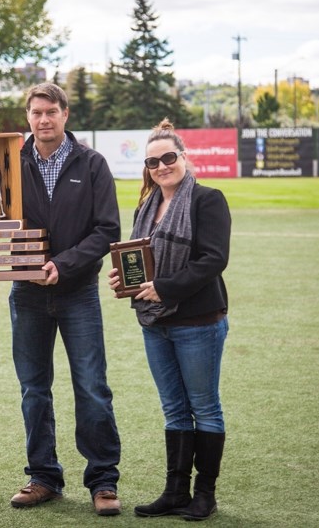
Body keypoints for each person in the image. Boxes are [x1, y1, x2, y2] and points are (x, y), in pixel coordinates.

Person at [8, 82, 123, 516]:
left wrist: (66, 263)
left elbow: (107, 230)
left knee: (92, 387)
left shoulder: (91, 163)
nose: (43, 119)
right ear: (28, 117)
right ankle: (43, 478)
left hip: (77, 294)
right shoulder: (11, 162)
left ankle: (103, 481)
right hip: (27, 293)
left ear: (65, 114)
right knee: (34, 389)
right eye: (36, 112)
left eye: (50, 111)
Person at [108, 118, 231, 521]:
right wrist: (124, 279)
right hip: (154, 322)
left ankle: (205, 495)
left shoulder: (207, 199)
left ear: (183, 156)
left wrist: (165, 286)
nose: (161, 166)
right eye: (153, 162)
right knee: (175, 410)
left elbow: (214, 259)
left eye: (168, 157)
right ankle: (175, 491)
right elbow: (139, 260)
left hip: (197, 320)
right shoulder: (146, 205)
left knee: (204, 408)